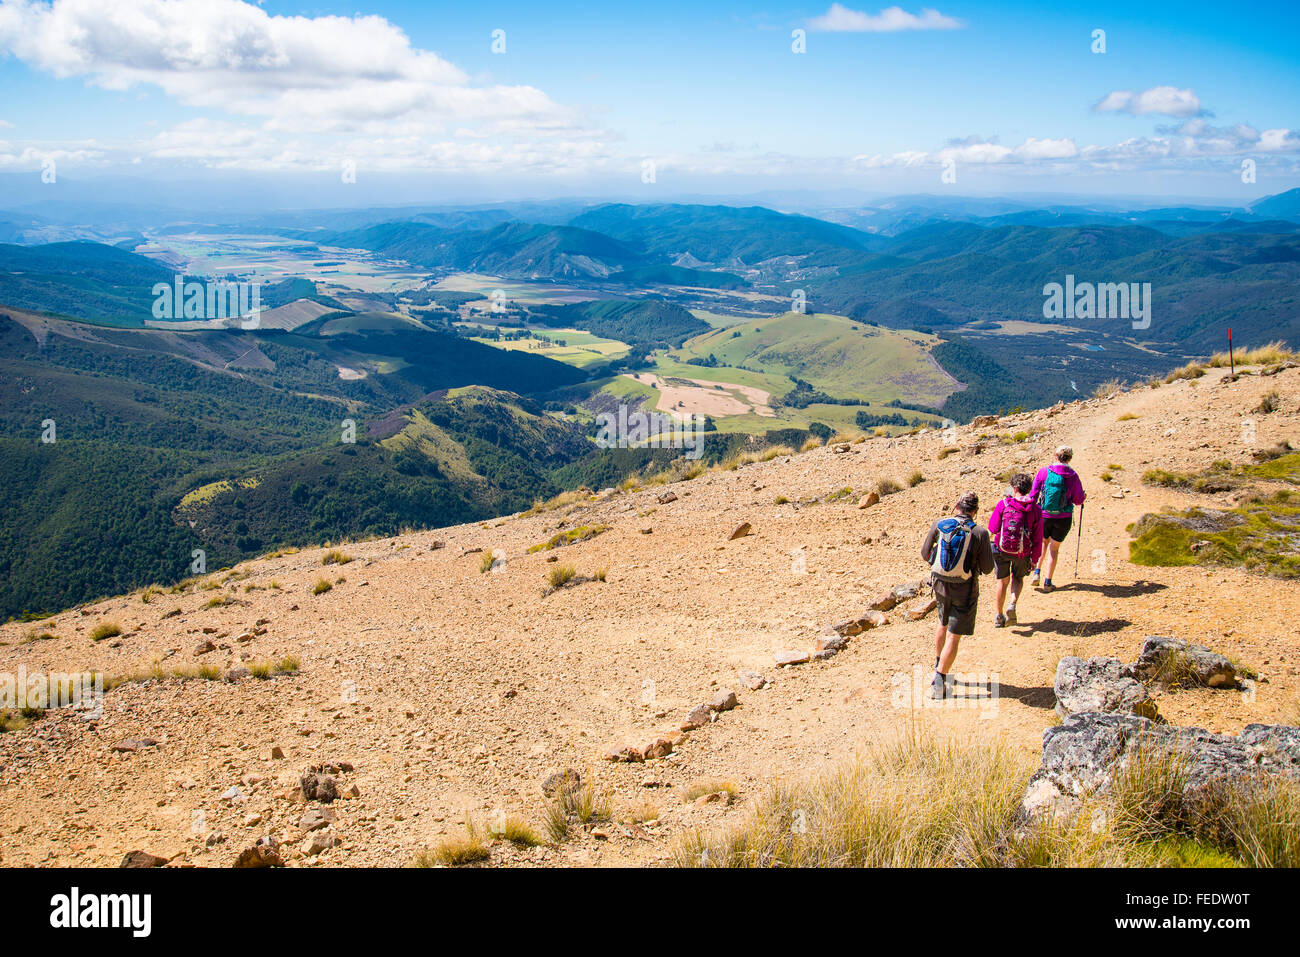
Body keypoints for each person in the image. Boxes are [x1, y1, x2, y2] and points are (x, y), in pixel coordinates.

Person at [920, 491, 994, 699]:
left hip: (940, 585)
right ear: (975, 511)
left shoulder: (939, 524)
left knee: (942, 624)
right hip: (966, 589)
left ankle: (937, 664)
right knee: (954, 634)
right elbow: (988, 568)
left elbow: (925, 553)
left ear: (956, 506)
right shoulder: (980, 533)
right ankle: (940, 680)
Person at [987, 473, 1043, 627]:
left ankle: (999, 616)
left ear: (1015, 488)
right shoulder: (1036, 510)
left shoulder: (1004, 504)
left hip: (1002, 550)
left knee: (1002, 582)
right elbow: (1038, 539)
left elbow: (993, 528)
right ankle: (1012, 603)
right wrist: (1034, 560)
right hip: (1022, 553)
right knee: (1017, 578)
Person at [1030, 445, 1087, 591]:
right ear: (1070, 458)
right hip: (1064, 518)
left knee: (1043, 544)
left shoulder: (1044, 472)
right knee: (1054, 549)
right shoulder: (1073, 476)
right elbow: (1078, 500)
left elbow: (1033, 495)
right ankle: (1048, 582)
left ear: (1055, 455)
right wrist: (1083, 497)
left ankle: (1036, 573)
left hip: (1045, 516)